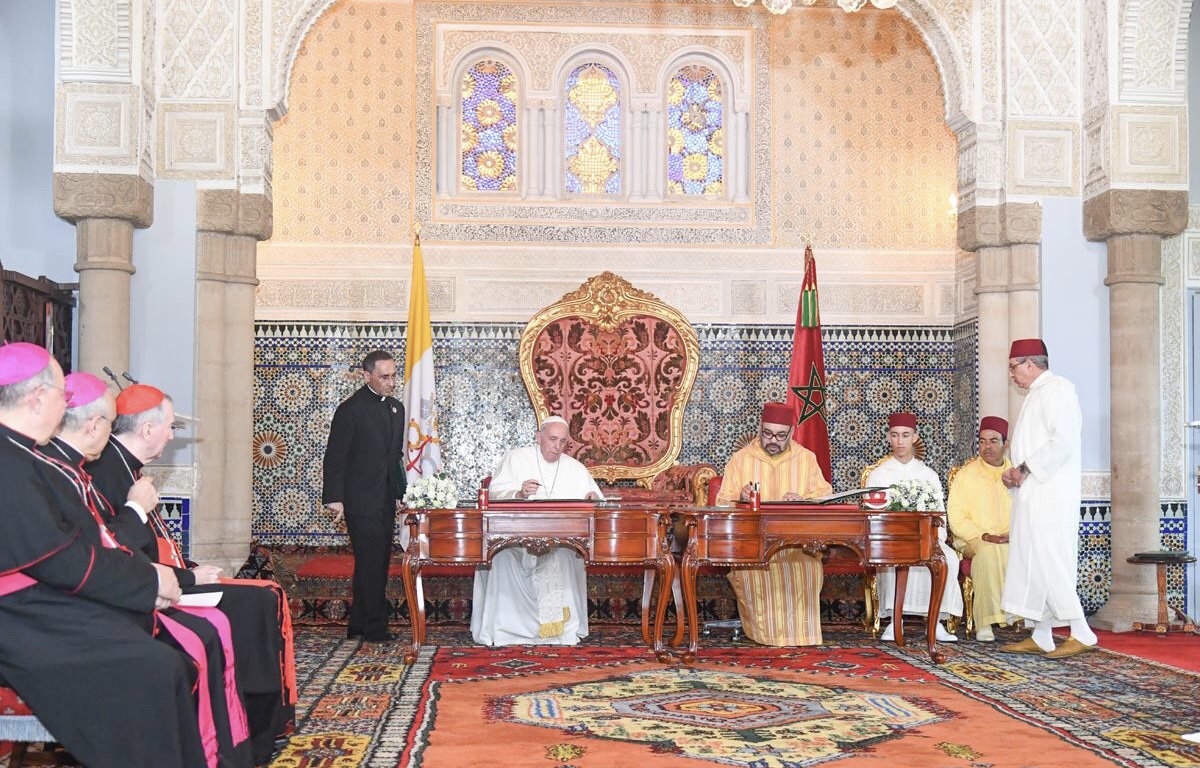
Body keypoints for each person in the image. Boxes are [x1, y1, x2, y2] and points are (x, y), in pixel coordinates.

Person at [0, 343, 206, 768]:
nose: (65, 405)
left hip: (34, 603)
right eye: (61, 395)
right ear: (37, 398)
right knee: (154, 669)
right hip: (18, 616)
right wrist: (150, 582)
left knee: (161, 658)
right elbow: (62, 559)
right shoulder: (12, 462)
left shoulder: (24, 455)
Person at [44, 372, 254, 768]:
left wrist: (166, 578)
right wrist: (159, 577)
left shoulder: (70, 469)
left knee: (208, 632)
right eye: (109, 423)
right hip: (67, 615)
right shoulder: (57, 471)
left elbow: (99, 551)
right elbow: (93, 553)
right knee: (176, 656)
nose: (111, 433)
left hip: (100, 595)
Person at [88, 381, 295, 763]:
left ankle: (258, 725)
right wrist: (186, 579)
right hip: (138, 594)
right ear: (147, 430)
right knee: (251, 606)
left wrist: (186, 573)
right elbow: (114, 551)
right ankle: (247, 730)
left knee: (264, 597)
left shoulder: (124, 467)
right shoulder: (104, 474)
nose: (172, 435)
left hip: (159, 580)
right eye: (169, 426)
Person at [1000, 338, 1098, 658]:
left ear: (1030, 364)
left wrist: (1025, 469)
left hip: (1051, 494)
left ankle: (1081, 631)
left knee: (1050, 559)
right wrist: (1016, 473)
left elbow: (1062, 442)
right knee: (1034, 561)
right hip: (1033, 492)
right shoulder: (1037, 393)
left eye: (1014, 368)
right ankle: (1042, 634)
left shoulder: (1058, 390)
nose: (1012, 375)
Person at [471, 415, 603, 646]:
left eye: (563, 442)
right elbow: (492, 493)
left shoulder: (575, 468)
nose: (557, 446)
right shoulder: (516, 459)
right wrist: (519, 493)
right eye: (552, 439)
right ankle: (505, 631)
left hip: (559, 543)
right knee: (500, 559)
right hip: (514, 541)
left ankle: (559, 633)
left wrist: (593, 498)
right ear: (538, 437)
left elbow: (596, 498)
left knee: (563, 556)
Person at [715, 402, 832, 646]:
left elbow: (825, 498)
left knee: (808, 568)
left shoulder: (806, 459)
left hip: (797, 546)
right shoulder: (741, 459)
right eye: (767, 433)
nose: (773, 440)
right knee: (756, 572)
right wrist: (740, 495)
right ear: (759, 428)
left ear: (791, 432)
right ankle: (765, 636)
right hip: (754, 547)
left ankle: (803, 635)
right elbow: (721, 503)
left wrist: (805, 501)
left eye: (780, 435)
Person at [322, 349, 407, 643]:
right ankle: (375, 627)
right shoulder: (351, 409)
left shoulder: (397, 408)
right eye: (385, 377)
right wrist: (335, 497)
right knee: (373, 561)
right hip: (359, 500)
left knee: (375, 560)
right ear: (366, 375)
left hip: (384, 499)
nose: (391, 382)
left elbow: (394, 457)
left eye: (394, 375)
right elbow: (335, 456)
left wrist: (398, 492)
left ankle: (357, 623)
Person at [867, 412, 963, 642]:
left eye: (905, 435)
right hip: (892, 541)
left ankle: (937, 620)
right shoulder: (879, 474)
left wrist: (935, 539)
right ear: (888, 438)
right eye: (895, 435)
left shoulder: (927, 474)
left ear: (915, 437)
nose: (900, 441)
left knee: (948, 558)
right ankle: (893, 620)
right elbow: (872, 512)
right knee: (891, 561)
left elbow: (939, 513)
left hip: (926, 539)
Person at [946, 416, 1012, 642]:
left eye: (994, 441)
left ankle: (1019, 615)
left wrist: (1013, 535)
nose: (987, 447)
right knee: (987, 552)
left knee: (1027, 552)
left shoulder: (1016, 474)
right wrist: (984, 535)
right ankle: (985, 622)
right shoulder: (966, 475)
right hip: (974, 539)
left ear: (1006, 444)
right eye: (983, 441)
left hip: (1010, 538)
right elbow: (956, 517)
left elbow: (1028, 511)